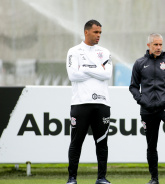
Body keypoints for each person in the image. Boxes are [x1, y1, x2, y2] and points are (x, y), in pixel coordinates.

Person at [129, 33, 165, 184]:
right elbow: (133, 87)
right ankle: (154, 178)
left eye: (161, 44)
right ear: (149, 45)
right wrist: (141, 100)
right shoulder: (139, 63)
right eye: (155, 44)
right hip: (147, 109)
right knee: (151, 145)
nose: (159, 47)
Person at [66, 19, 112, 184]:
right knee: (76, 142)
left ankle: (101, 178)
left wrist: (85, 67)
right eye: (95, 32)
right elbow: (73, 75)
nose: (98, 35)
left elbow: (107, 75)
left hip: (102, 103)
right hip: (80, 103)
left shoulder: (105, 52)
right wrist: (96, 69)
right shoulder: (74, 51)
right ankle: (72, 178)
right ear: (86, 32)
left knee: (102, 143)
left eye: (100, 32)